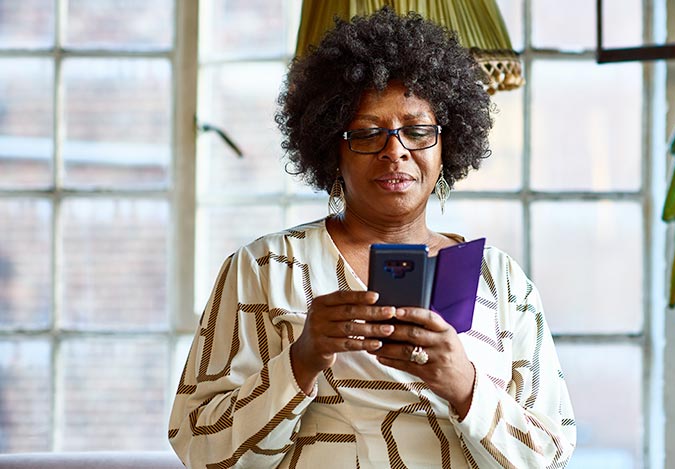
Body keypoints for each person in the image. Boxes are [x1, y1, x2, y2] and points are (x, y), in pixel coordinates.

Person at [168, 7, 575, 468]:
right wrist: (301, 360)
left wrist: (464, 385)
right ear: (331, 149)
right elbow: (200, 445)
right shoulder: (265, 268)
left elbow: (551, 456)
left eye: (417, 131)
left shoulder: (501, 280)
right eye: (366, 134)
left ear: (447, 145)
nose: (394, 151)